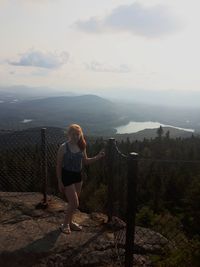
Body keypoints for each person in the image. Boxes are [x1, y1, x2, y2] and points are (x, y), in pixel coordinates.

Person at [56, 123, 105, 234]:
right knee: (75, 203)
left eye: (77, 134)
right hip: (67, 176)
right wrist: (59, 181)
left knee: (73, 203)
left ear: (80, 135)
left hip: (78, 176)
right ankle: (64, 225)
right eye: (73, 134)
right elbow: (58, 166)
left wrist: (98, 156)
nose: (75, 136)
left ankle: (71, 222)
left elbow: (86, 161)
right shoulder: (63, 147)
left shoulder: (81, 146)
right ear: (68, 134)